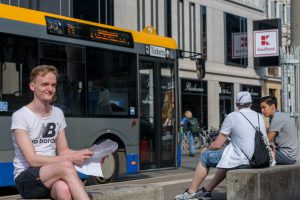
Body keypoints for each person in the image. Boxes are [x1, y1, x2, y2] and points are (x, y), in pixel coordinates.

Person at [11, 65, 93, 199]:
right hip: (26, 179)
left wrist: (91, 156)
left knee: (64, 189)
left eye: (53, 85)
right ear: (32, 86)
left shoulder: (58, 113)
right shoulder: (20, 115)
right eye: (45, 84)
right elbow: (32, 160)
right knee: (66, 165)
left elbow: (64, 151)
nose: (50, 89)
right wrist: (70, 159)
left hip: (52, 174)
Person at [175, 91, 268, 200]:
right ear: (251, 103)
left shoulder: (232, 116)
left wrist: (206, 149)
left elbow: (217, 145)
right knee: (226, 158)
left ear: (237, 104)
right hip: (259, 159)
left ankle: (191, 192)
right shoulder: (259, 116)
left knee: (205, 157)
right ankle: (207, 191)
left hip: (243, 160)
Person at [260, 96, 298, 165]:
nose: (262, 111)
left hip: (286, 156)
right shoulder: (279, 115)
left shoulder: (277, 118)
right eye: (261, 108)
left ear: (273, 106)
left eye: (264, 107)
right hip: (289, 155)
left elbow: (267, 140)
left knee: (257, 154)